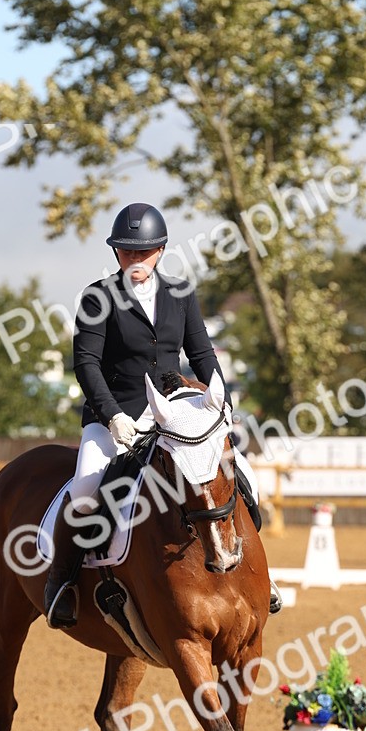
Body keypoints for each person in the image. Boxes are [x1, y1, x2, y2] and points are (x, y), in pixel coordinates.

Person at [44, 202, 281, 628]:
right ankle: (61, 582)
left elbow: (202, 353)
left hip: (175, 417)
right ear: (116, 252)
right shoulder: (99, 297)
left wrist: (219, 401)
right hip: (115, 416)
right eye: (127, 251)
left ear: (161, 250)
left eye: (144, 251)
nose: (135, 259)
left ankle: (258, 573)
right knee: (84, 488)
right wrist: (113, 415)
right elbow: (87, 365)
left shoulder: (180, 293)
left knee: (242, 475)